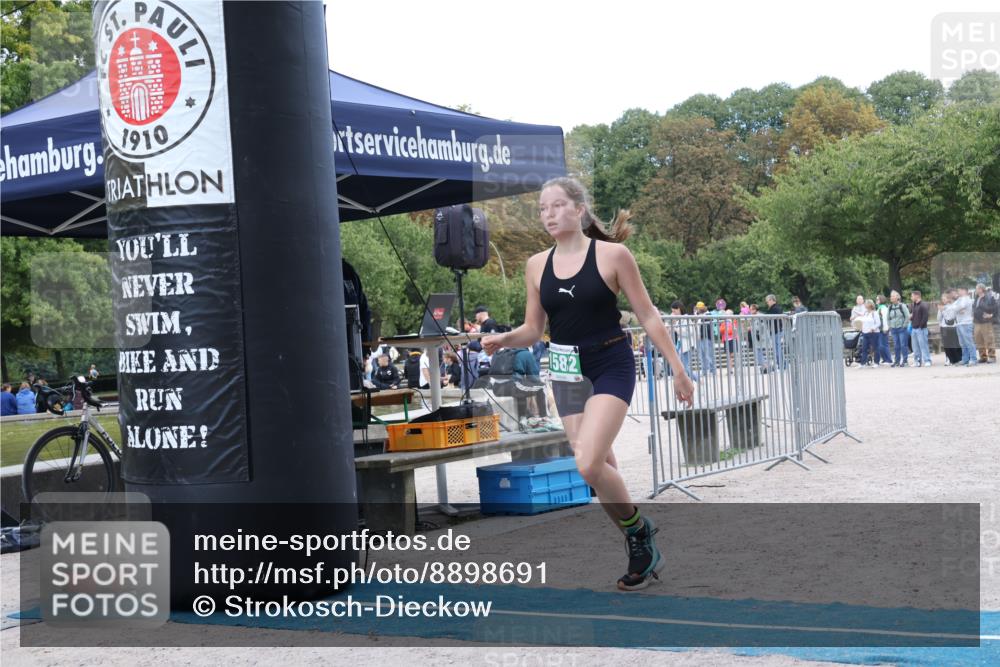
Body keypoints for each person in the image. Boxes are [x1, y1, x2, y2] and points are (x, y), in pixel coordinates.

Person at [481, 176, 694, 592]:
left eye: (558, 206)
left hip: (610, 361)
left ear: (579, 209)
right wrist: (504, 339)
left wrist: (678, 369)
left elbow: (648, 315)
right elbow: (532, 328)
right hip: (564, 368)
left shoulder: (614, 255)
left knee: (587, 463)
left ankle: (639, 532)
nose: (549, 215)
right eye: (543, 209)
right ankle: (639, 542)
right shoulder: (535, 265)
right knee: (599, 468)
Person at [973, 283, 997, 363]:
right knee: (978, 339)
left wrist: (991, 315)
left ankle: (992, 356)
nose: (976, 290)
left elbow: (995, 307)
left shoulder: (989, 297)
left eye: (977, 288)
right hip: (977, 322)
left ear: (981, 289)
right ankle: (983, 357)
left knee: (989, 339)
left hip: (986, 322)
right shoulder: (976, 297)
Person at [886, 290, 911, 367]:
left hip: (902, 328)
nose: (891, 298)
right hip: (893, 328)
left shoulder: (902, 306)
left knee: (903, 345)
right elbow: (887, 318)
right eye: (891, 296)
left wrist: (904, 325)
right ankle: (897, 361)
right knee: (896, 345)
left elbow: (907, 316)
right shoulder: (890, 307)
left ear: (897, 297)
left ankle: (905, 361)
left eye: (893, 296)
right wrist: (889, 326)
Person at [953, 287, 977, 366]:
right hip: (959, 323)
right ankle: (965, 359)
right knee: (962, 343)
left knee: (969, 342)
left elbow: (960, 307)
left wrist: (957, 309)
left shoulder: (966, 299)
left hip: (966, 323)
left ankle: (973, 359)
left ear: (964, 291)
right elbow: (952, 308)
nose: (958, 292)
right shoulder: (959, 299)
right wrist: (957, 309)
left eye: (959, 290)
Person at [938, 291, 962, 366]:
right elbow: (938, 318)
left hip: (953, 327)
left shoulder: (953, 306)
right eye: (942, 299)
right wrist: (940, 311)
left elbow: (953, 316)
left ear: (948, 299)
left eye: (945, 298)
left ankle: (958, 359)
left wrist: (944, 310)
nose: (943, 300)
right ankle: (949, 359)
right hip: (944, 327)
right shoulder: (941, 307)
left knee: (954, 344)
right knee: (946, 345)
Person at [909, 290, 931, 367]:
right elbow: (913, 316)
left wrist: (920, 326)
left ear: (917, 296)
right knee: (915, 347)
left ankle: (927, 360)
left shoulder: (923, 305)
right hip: (914, 328)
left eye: (912, 296)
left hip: (921, 329)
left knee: (923, 345)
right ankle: (917, 361)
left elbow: (925, 317)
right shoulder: (913, 305)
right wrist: (911, 318)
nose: (911, 297)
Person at [694, 301, 716, 375]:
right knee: (702, 355)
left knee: (708, 354)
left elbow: (707, 327)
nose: (697, 309)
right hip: (700, 338)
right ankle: (704, 371)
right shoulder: (698, 316)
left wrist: (702, 334)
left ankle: (712, 370)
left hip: (706, 338)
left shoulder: (708, 315)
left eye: (698, 308)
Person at [858, 300, 882, 367]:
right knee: (864, 348)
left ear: (870, 305)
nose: (865, 305)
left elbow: (878, 323)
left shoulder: (875, 313)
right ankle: (863, 363)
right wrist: (861, 328)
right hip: (865, 333)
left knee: (875, 348)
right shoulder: (865, 313)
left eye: (866, 303)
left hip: (874, 333)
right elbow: (863, 322)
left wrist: (873, 328)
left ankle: (876, 363)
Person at [764, 294, 784, 371]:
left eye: (767, 301)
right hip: (775, 331)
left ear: (772, 300)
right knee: (777, 349)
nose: (767, 303)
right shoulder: (773, 308)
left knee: (777, 349)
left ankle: (781, 365)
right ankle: (781, 365)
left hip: (777, 331)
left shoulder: (776, 308)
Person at [875, 294, 892, 366]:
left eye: (877, 299)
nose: (876, 301)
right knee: (880, 345)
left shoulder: (883, 308)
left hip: (883, 329)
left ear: (881, 300)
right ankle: (885, 359)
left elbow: (885, 319)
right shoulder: (879, 308)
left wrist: (886, 328)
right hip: (879, 329)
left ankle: (888, 359)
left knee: (884, 345)